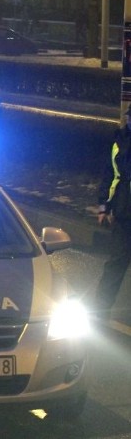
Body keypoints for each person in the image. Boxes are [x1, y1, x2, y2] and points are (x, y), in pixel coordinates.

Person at [93, 106, 131, 317]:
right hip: (124, 214)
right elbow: (110, 175)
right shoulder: (120, 141)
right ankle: (99, 312)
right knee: (115, 266)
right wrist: (103, 206)